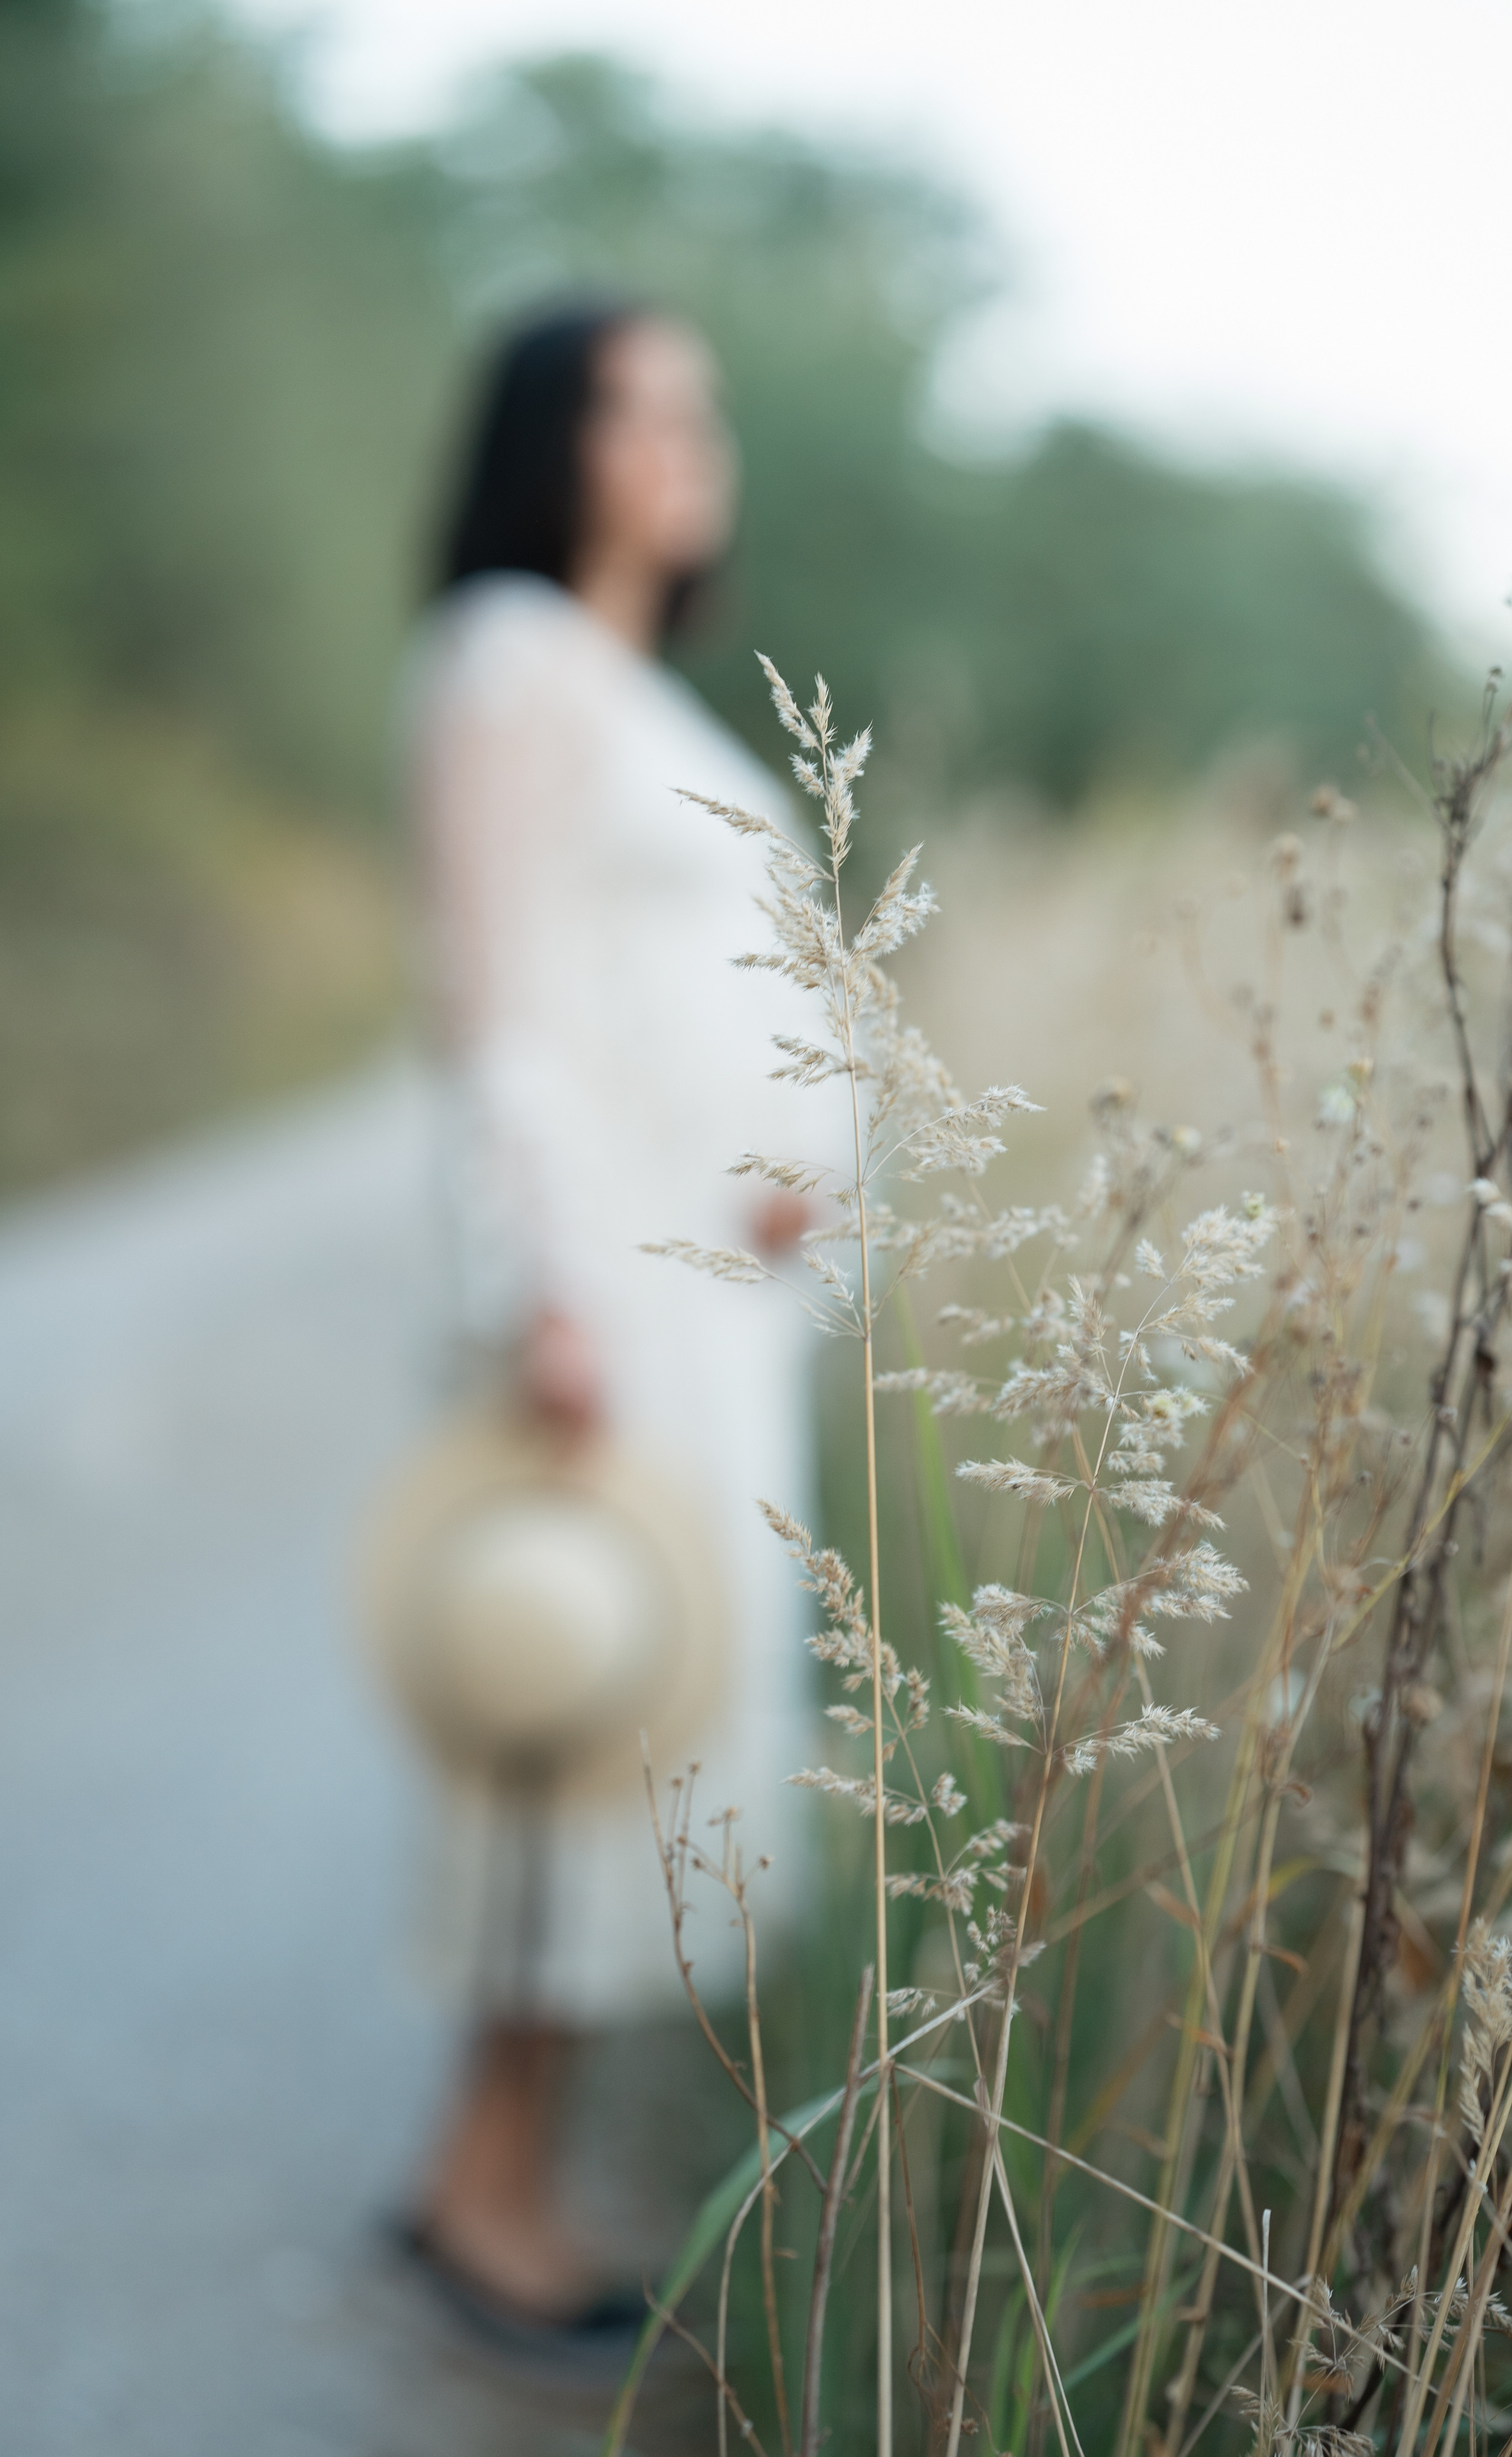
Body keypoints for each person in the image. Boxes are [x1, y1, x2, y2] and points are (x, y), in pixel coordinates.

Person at [399, 302, 816, 2334]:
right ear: (553, 440)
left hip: (715, 1304)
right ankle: (487, 2193)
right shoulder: (510, 660)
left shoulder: (645, 696)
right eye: (642, 407)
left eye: (696, 403)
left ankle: (496, 2168)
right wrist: (543, 1292)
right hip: (611, 1304)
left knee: (633, 1722)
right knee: (571, 1710)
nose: (685, 439)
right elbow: (499, 1018)